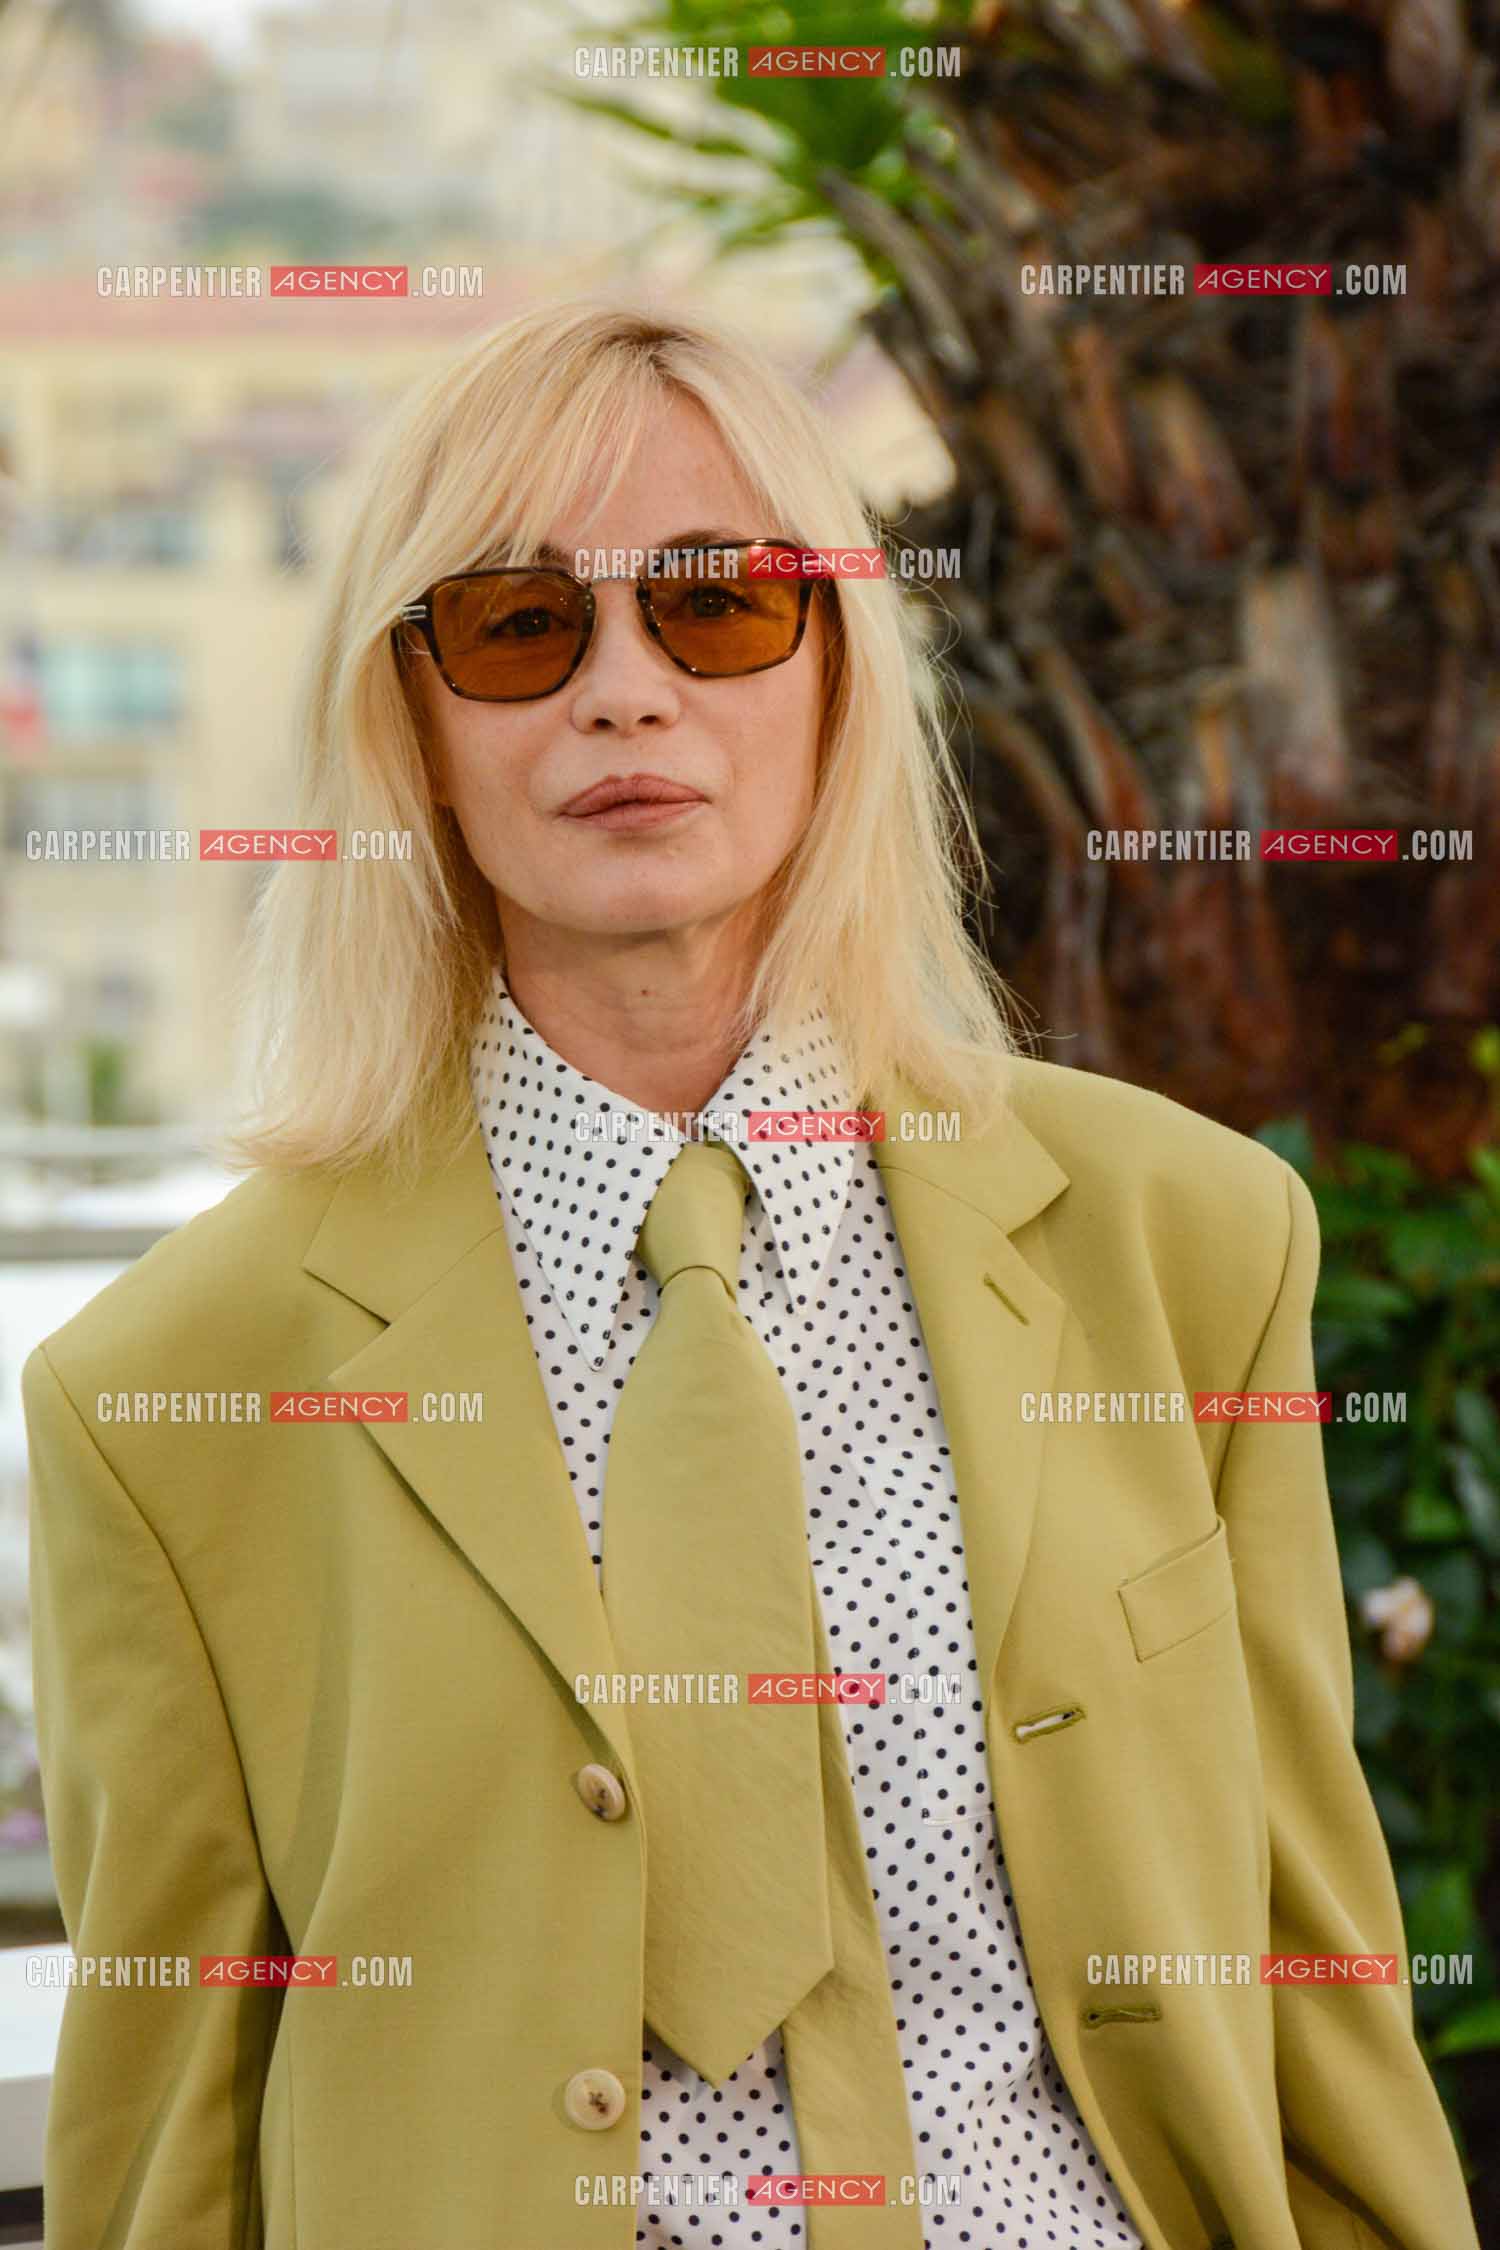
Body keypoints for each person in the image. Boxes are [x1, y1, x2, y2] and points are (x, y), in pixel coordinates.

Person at [23, 299, 1480, 2250]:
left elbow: (1324, 1983)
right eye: (521, 626)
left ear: (837, 677)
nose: (624, 692)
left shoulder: (1190, 1247)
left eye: (715, 607)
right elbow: (165, 2151)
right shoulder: (164, 1399)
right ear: (419, 724)